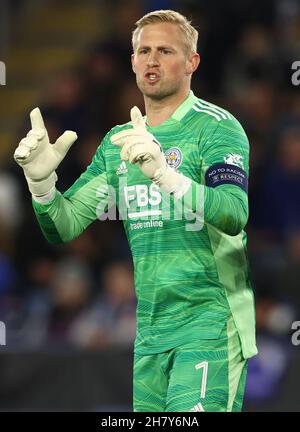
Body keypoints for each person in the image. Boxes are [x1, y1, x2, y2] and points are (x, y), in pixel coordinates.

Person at [14, 9, 257, 412]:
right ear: (132, 62)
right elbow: (66, 225)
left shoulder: (217, 127)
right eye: (144, 51)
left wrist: (167, 175)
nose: (152, 60)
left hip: (212, 324)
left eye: (165, 50)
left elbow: (234, 213)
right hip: (149, 333)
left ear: (192, 62)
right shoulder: (118, 144)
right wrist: (41, 187)